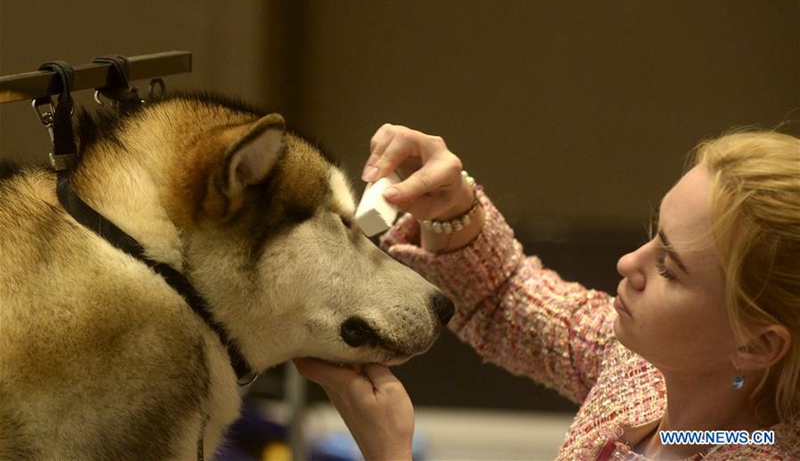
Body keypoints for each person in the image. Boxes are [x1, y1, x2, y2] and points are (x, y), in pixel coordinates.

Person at [294, 124, 800, 460]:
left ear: (756, 345)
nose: (628, 263)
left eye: (669, 266)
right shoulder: (654, 380)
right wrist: (453, 209)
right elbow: (506, 295)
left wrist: (388, 453)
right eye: (653, 234)